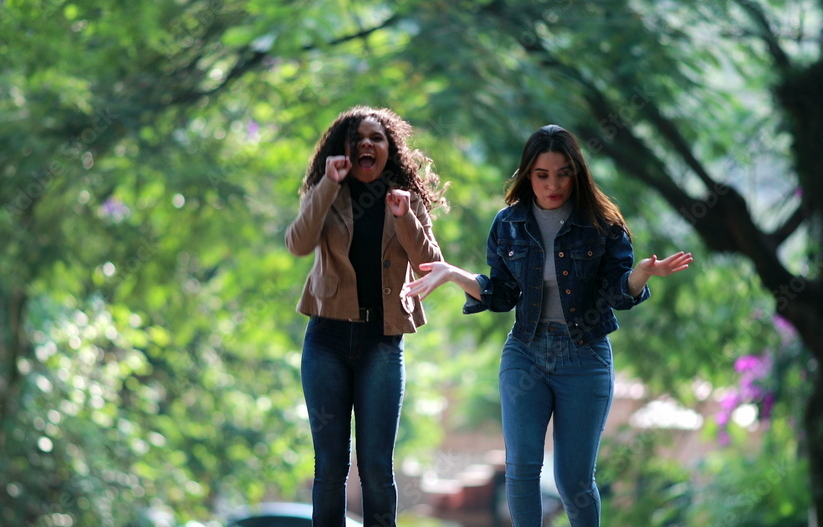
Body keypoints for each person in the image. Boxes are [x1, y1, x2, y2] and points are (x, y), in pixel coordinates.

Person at [403, 124, 692, 527]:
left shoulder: (603, 226)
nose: (552, 184)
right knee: (520, 471)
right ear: (528, 175)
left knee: (573, 481)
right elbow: (502, 295)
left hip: (585, 355)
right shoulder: (509, 224)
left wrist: (642, 274)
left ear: (577, 173)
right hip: (526, 352)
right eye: (542, 175)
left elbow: (617, 293)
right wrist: (453, 274)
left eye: (562, 173)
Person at [285, 106, 448, 527]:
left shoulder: (403, 200)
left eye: (376, 138)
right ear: (342, 152)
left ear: (388, 148)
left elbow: (432, 263)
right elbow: (298, 243)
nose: (366, 145)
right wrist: (326, 184)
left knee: (376, 467)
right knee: (329, 468)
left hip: (382, 341)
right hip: (327, 340)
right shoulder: (328, 195)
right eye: (356, 140)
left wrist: (406, 216)